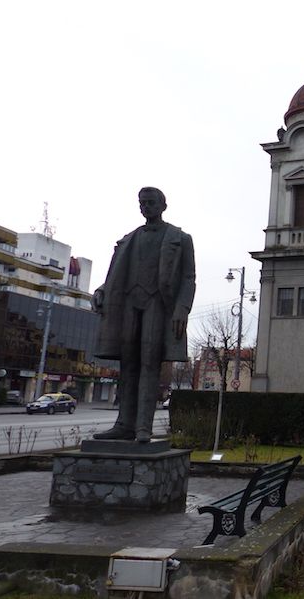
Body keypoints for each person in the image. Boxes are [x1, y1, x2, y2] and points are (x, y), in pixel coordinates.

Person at [93, 187, 196, 442]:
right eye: (142, 203)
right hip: (128, 303)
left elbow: (188, 277)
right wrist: (101, 291)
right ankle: (124, 424)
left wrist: (182, 308)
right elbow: (115, 276)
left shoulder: (179, 238)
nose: (145, 207)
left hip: (158, 305)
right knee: (128, 363)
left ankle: (142, 428)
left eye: (150, 203)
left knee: (150, 362)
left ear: (163, 206)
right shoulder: (128, 239)